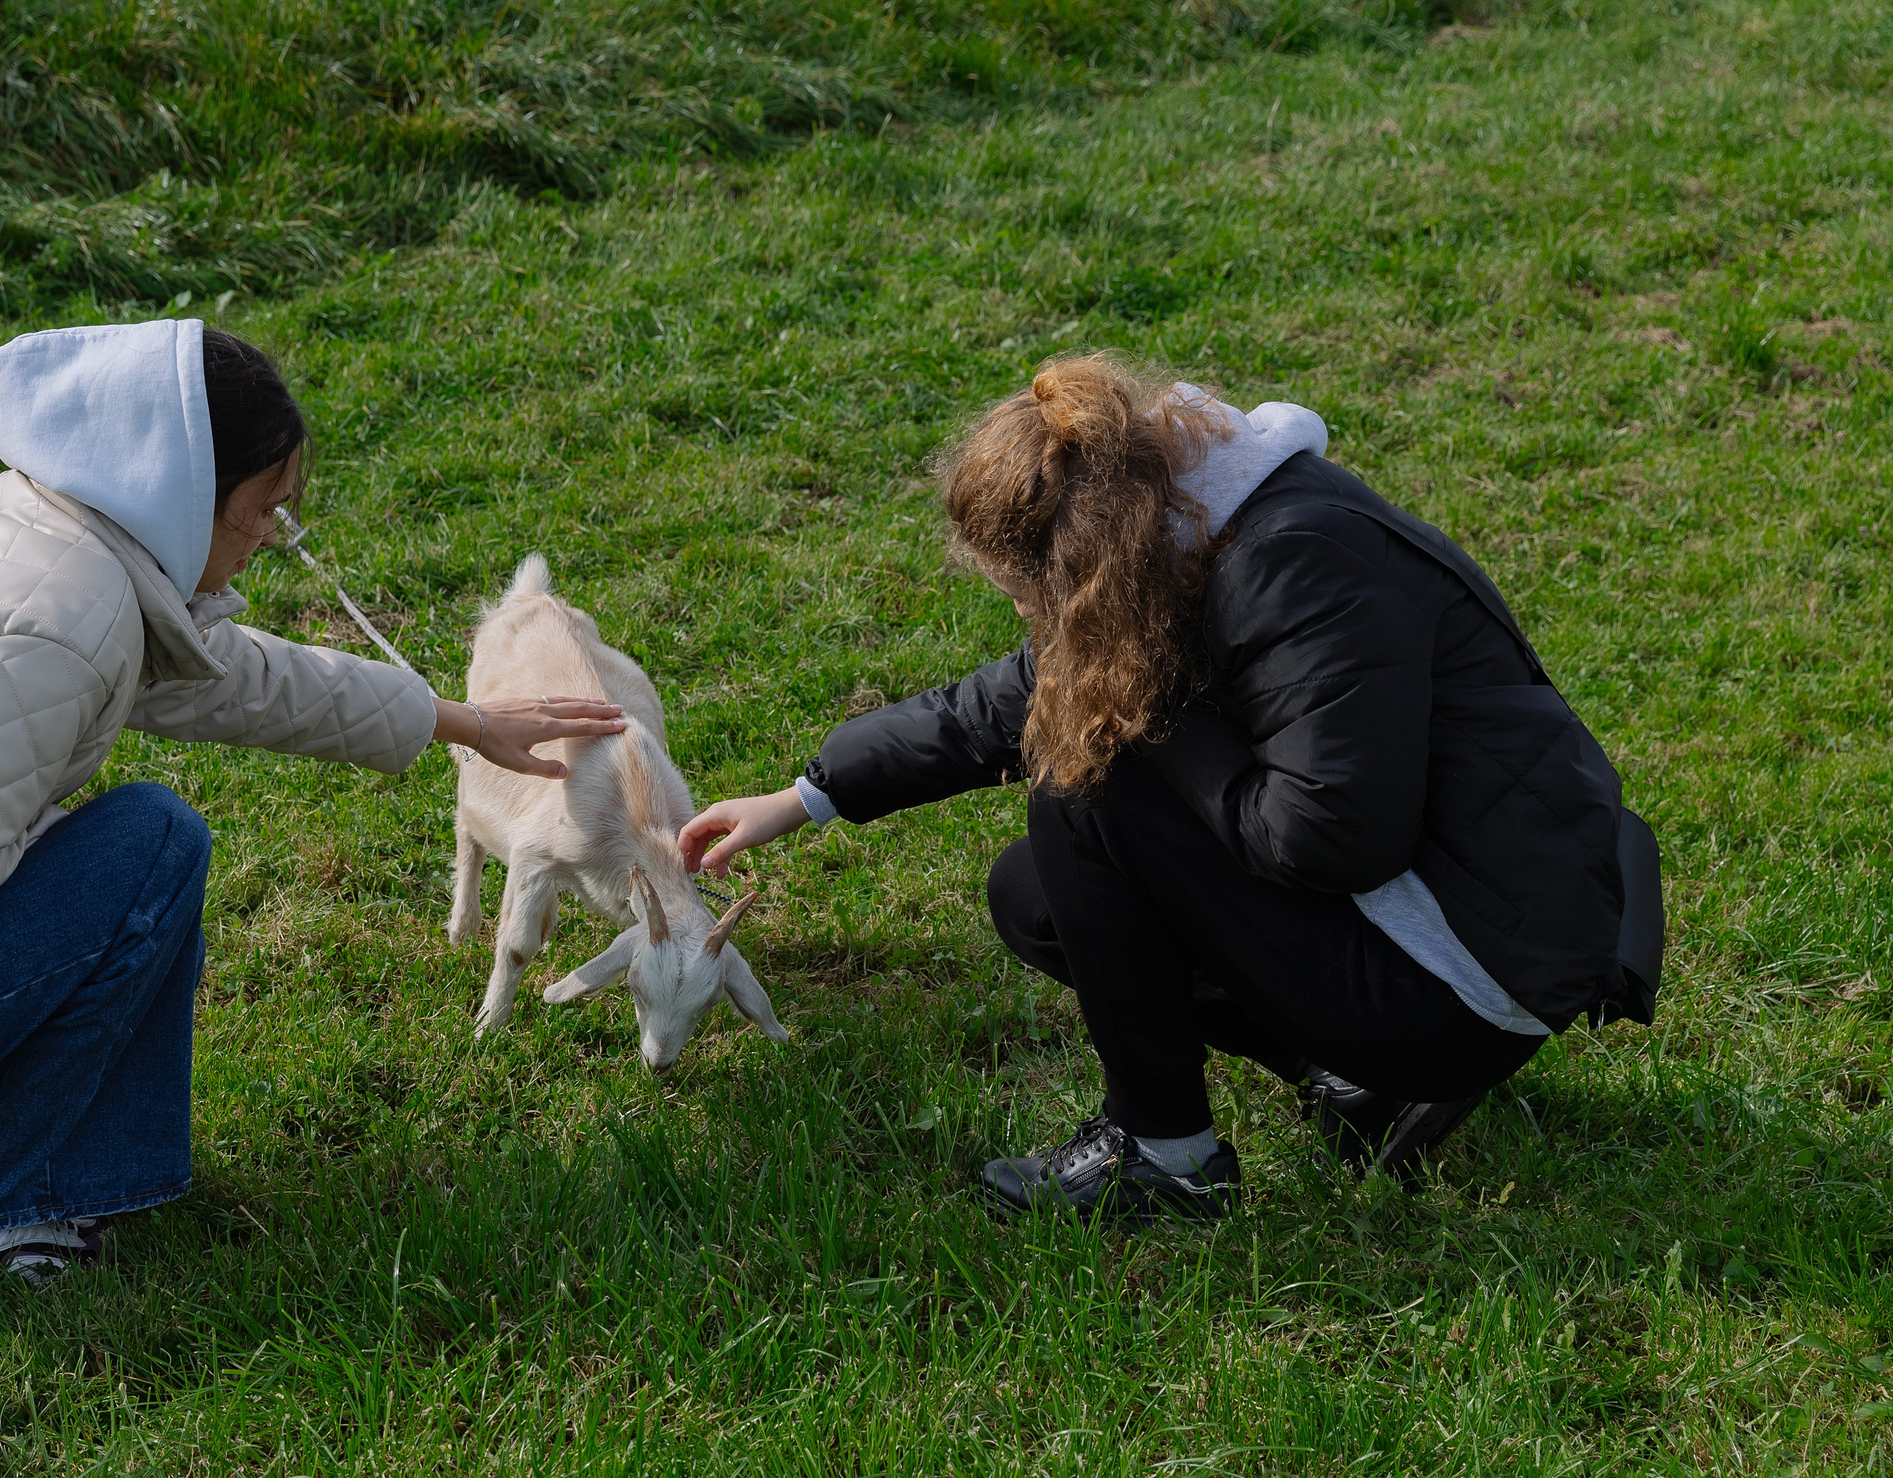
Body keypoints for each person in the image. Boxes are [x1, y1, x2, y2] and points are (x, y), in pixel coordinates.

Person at [0, 319, 624, 1293]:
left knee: (100, 866)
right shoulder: (61, 623)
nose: (273, 535)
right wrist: (62, 869)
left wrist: (459, 722)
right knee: (143, 853)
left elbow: (226, 677)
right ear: (185, 491)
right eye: (262, 507)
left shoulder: (50, 535)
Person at [681, 353, 1648, 1222]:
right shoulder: (1191, 520)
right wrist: (803, 797)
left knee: (1087, 788)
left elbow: (1335, 836)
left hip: (1474, 968)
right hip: (1459, 912)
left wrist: (1150, 726)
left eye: (1028, 593)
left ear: (1082, 555)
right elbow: (1009, 698)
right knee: (1037, 896)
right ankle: (1355, 1080)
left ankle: (1165, 1154)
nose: (1027, 616)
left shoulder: (1292, 564)